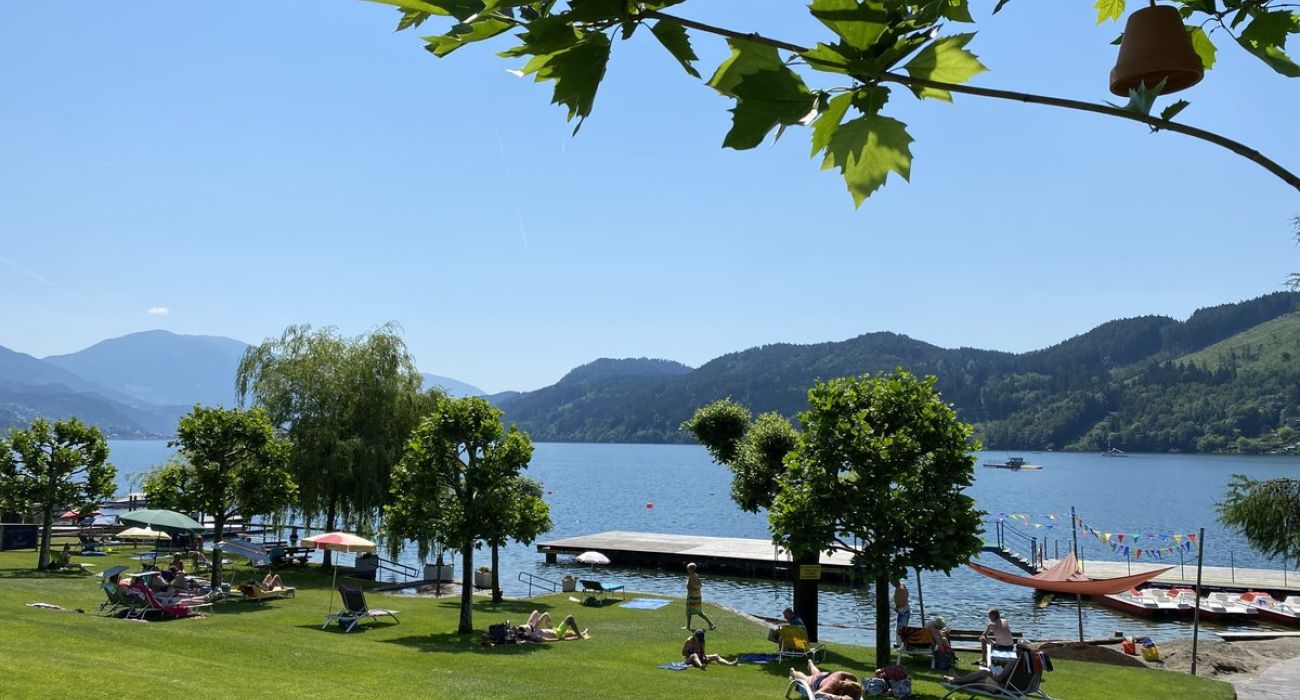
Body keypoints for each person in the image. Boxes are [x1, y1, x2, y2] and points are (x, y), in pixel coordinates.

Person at [787, 658, 862, 700]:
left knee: (817, 674)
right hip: (816, 682)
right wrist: (838, 697)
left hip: (826, 675)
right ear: (842, 691)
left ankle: (811, 664)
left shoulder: (852, 678)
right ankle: (793, 672)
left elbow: (841, 673)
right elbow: (816, 694)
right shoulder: (831, 687)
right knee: (806, 678)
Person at [516, 610, 587, 642]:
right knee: (570, 618)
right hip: (557, 633)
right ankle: (580, 636)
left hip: (552, 630)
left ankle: (579, 633)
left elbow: (535, 613)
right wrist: (559, 639)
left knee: (536, 612)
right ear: (527, 633)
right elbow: (547, 640)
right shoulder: (534, 636)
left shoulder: (533, 630)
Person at [683, 562, 716, 631]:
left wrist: (687, 583)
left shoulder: (691, 577)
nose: (687, 570)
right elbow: (700, 585)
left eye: (687, 569)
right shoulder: (696, 575)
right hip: (698, 596)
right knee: (699, 612)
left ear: (690, 569)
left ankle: (688, 626)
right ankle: (710, 623)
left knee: (688, 612)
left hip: (691, 596)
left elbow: (688, 587)